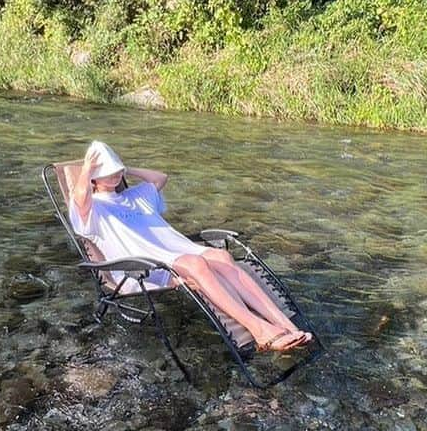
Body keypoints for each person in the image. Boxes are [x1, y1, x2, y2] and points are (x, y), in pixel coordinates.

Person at [69, 140, 313, 352]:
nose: (113, 175)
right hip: (144, 264)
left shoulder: (135, 196)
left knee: (222, 257)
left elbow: (160, 177)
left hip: (175, 251)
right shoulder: (93, 210)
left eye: (116, 171)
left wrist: (124, 168)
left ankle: (284, 324)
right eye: (107, 172)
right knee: (196, 264)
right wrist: (88, 169)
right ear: (92, 177)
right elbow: (80, 198)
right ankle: (259, 330)